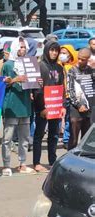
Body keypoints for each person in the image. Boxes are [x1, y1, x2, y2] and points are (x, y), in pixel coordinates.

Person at [1, 37, 35, 176]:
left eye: (24, 47)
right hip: (11, 103)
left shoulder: (29, 63)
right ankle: (6, 164)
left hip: (25, 103)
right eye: (20, 47)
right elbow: (3, 83)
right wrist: (16, 79)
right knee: (7, 138)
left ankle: (22, 163)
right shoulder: (8, 65)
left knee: (24, 138)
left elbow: (32, 82)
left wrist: (36, 82)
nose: (22, 49)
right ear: (15, 48)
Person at [32, 41, 65, 172]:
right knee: (39, 135)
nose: (54, 53)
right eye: (51, 50)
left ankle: (52, 161)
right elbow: (37, 90)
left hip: (56, 106)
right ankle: (37, 162)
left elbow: (61, 88)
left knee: (54, 135)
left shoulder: (59, 67)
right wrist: (41, 108)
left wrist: (62, 105)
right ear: (46, 50)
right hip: (43, 107)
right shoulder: (40, 66)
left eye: (56, 50)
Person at [67, 48, 94, 149]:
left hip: (89, 109)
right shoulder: (72, 70)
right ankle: (70, 161)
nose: (79, 61)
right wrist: (78, 105)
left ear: (88, 59)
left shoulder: (91, 71)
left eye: (83, 59)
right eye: (79, 58)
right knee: (73, 139)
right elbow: (70, 90)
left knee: (86, 140)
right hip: (76, 109)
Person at [58, 45, 77, 149]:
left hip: (69, 97)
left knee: (69, 119)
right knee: (57, 119)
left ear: (70, 55)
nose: (62, 55)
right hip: (57, 96)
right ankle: (55, 136)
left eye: (65, 53)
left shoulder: (73, 68)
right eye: (61, 52)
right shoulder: (57, 66)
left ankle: (66, 139)